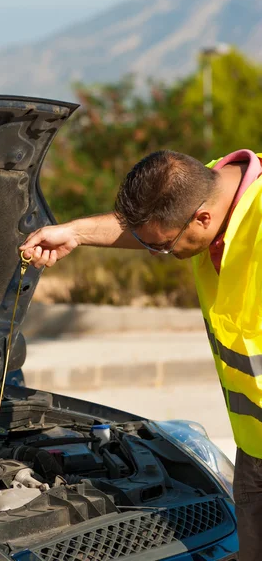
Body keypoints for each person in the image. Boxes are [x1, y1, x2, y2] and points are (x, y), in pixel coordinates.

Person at [20, 148, 262, 561]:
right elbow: (152, 226)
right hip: (253, 443)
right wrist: (75, 232)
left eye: (163, 248)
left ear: (202, 219)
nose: (155, 254)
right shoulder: (210, 186)